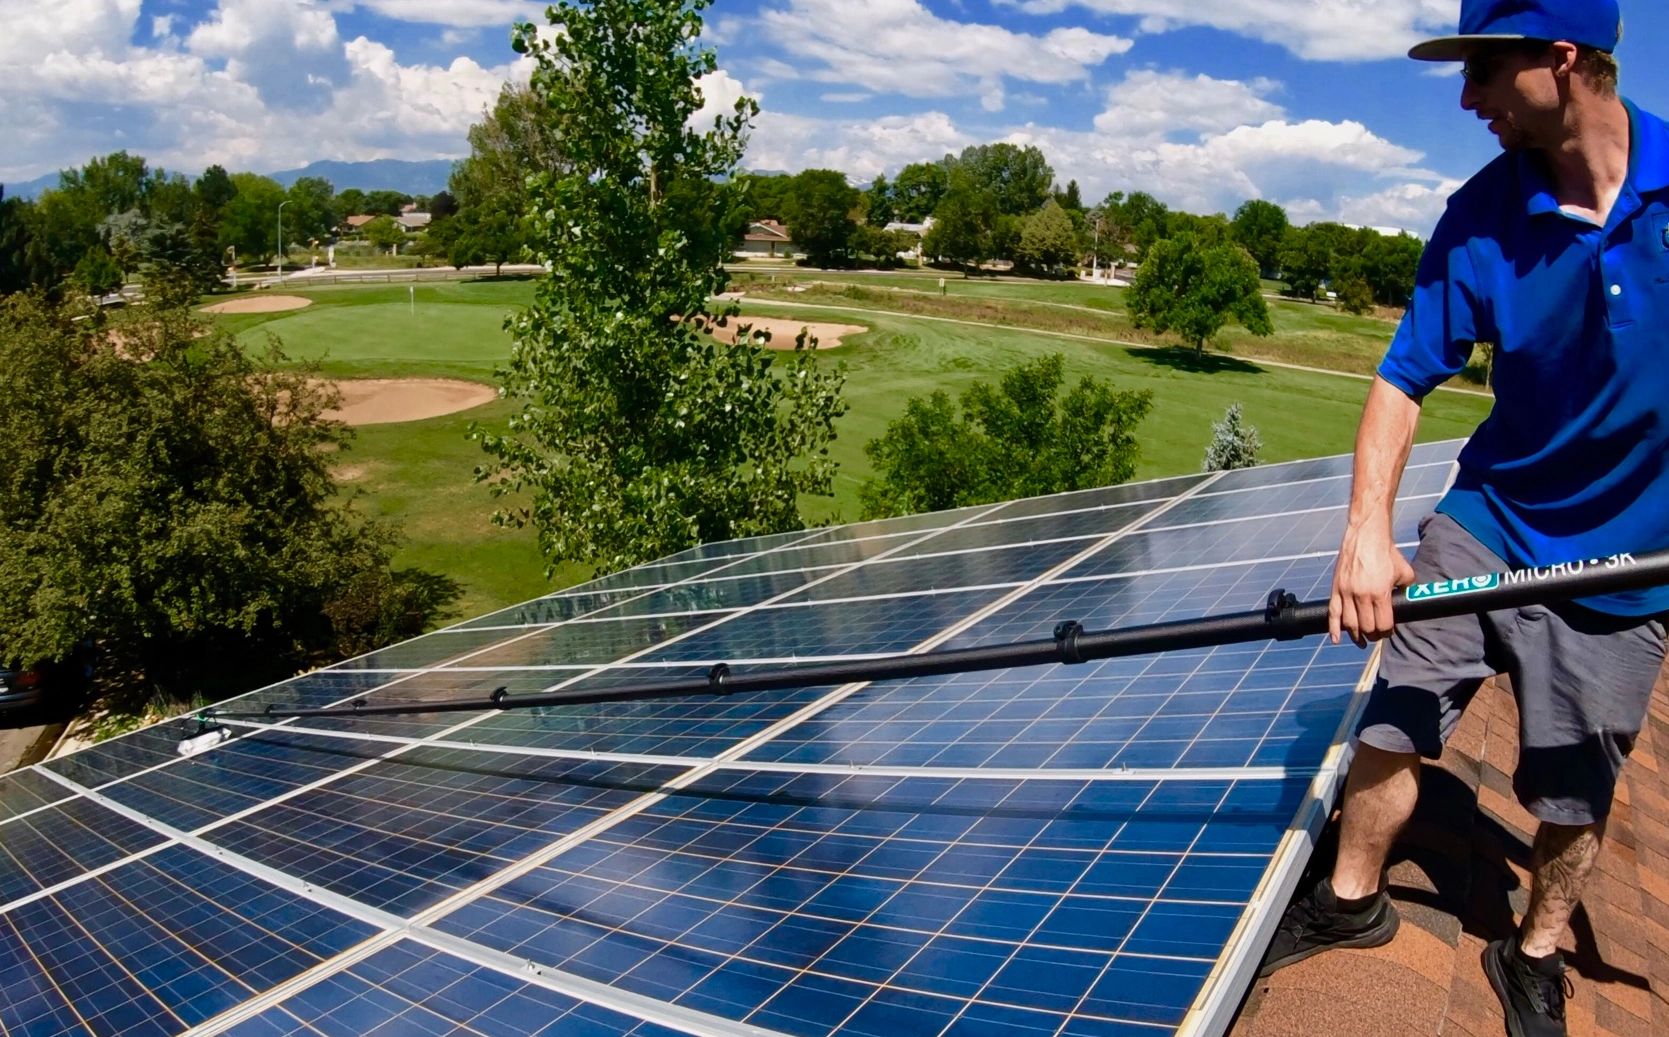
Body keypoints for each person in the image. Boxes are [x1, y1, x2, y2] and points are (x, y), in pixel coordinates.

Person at [1257, 2, 1669, 1035]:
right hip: (1491, 519)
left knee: (1575, 789)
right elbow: (1403, 380)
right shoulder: (1479, 215)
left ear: (1561, 61)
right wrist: (1366, 529)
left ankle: (1530, 951)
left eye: (1484, 68)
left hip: (1629, 554)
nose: (1466, 96)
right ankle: (1351, 900)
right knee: (1400, 702)